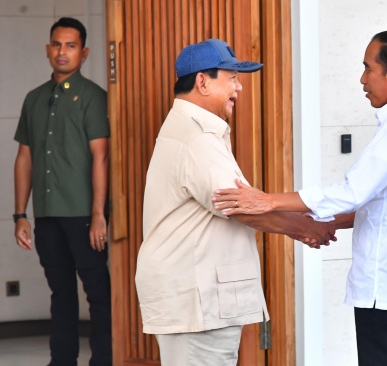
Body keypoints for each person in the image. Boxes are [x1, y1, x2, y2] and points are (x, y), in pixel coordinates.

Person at [212, 29, 387, 366]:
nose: (362, 78)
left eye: (369, 68)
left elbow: (352, 192)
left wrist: (268, 200)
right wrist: (323, 223)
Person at [134, 38, 336, 366]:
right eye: (232, 78)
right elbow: (241, 206)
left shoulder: (193, 130)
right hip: (197, 298)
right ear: (202, 81)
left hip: (197, 297)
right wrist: (304, 227)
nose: (239, 88)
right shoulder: (197, 136)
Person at [13, 17, 111, 366]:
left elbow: (101, 157)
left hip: (85, 214)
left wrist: (99, 214)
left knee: (98, 293)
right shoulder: (34, 99)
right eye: (56, 45)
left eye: (70, 46)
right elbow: (24, 158)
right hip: (48, 214)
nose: (62, 52)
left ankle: (104, 360)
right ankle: (62, 360)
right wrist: (20, 214)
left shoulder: (93, 98)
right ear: (47, 50)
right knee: (61, 293)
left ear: (84, 53)